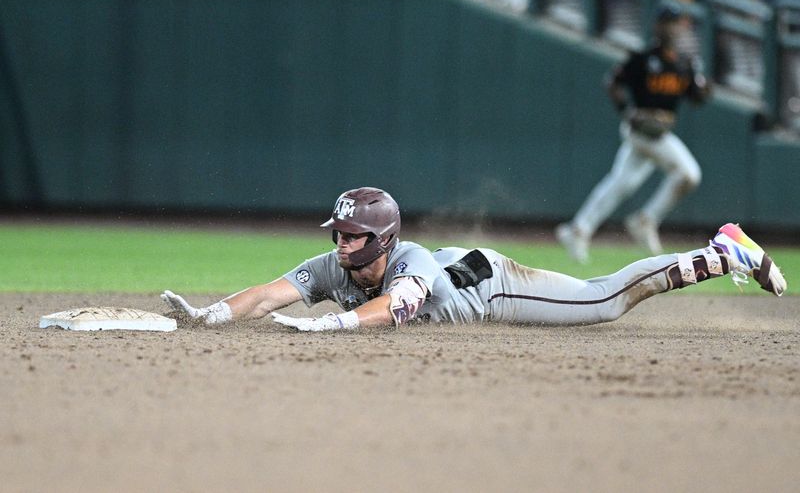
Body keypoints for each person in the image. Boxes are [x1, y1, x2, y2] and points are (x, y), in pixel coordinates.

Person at [161, 187, 785, 332]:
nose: (340, 243)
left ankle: (719, 252)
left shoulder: (408, 264)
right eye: (339, 234)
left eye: (351, 235)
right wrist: (210, 315)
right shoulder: (338, 267)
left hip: (489, 284)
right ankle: (719, 251)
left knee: (605, 301)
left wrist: (336, 324)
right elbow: (271, 292)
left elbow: (398, 304)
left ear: (380, 239)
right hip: (457, 266)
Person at [555, 5, 710, 263]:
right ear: (657, 27)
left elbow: (698, 97)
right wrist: (627, 110)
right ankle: (645, 220)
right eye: (667, 22)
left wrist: (702, 83)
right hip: (642, 130)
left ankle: (578, 229)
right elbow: (612, 82)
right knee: (689, 174)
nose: (673, 28)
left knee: (621, 184)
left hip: (659, 130)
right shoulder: (642, 58)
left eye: (677, 23)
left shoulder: (684, 63)